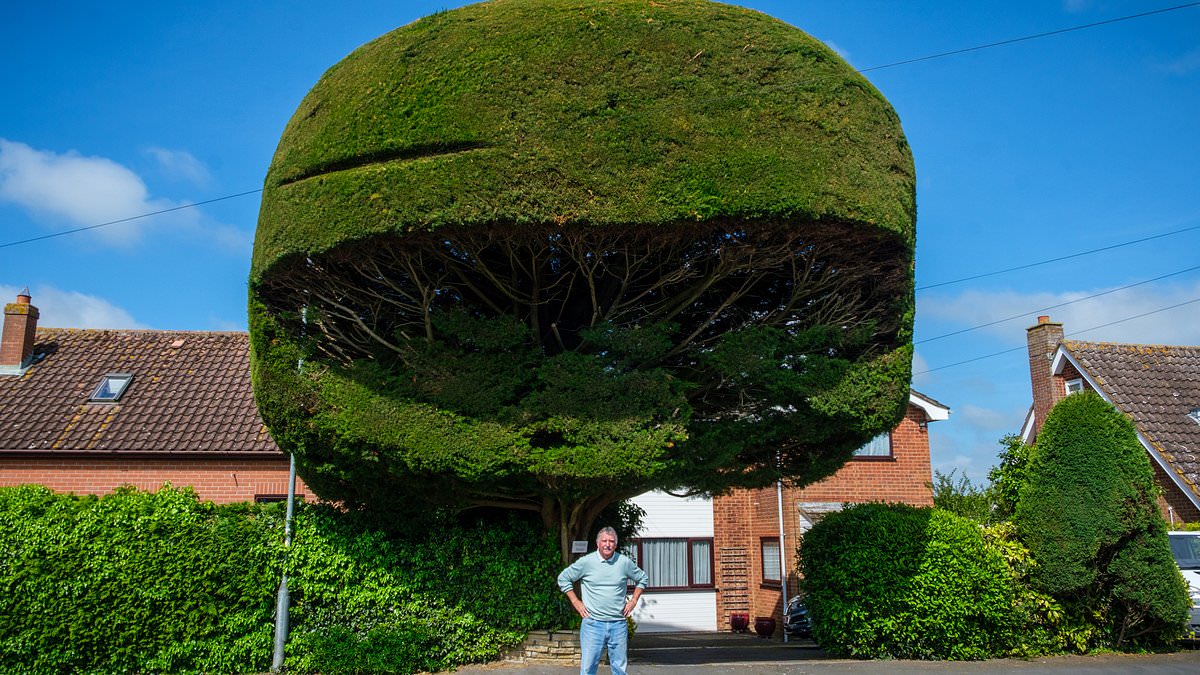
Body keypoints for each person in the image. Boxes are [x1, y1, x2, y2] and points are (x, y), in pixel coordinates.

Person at [557, 526, 649, 675]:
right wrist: (576, 602)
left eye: (611, 541)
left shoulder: (624, 562)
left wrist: (633, 601)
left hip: (618, 624)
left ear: (616, 544)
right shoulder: (586, 562)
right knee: (588, 669)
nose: (608, 544)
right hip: (592, 624)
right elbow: (563, 578)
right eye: (604, 541)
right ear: (597, 543)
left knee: (620, 669)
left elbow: (642, 578)